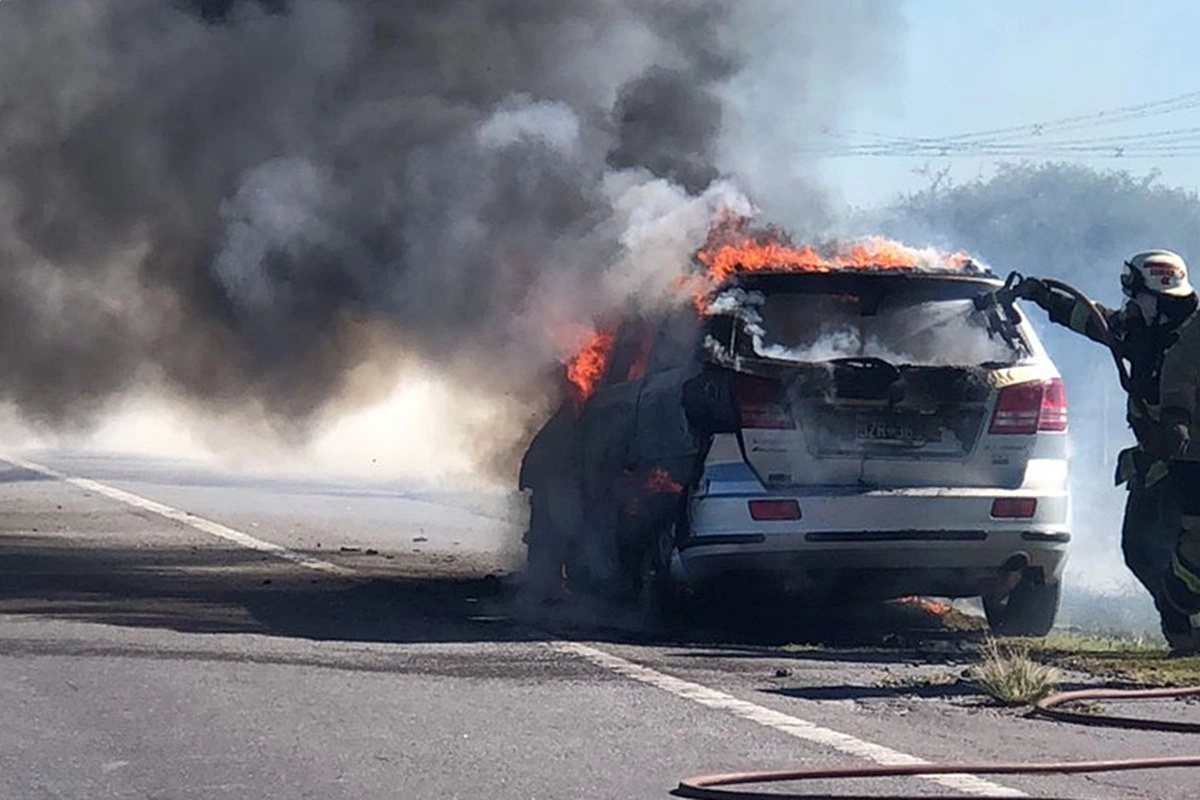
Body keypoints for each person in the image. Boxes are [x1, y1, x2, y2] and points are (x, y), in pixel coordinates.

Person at [1014, 250, 1199, 654]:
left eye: (1134, 293)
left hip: (1189, 463)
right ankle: (1182, 628)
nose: (1129, 304)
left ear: (1154, 293)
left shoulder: (1192, 337)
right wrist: (1044, 297)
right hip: (1157, 465)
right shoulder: (1146, 329)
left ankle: (1184, 628)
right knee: (1142, 550)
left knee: (1184, 553)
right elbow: (1096, 322)